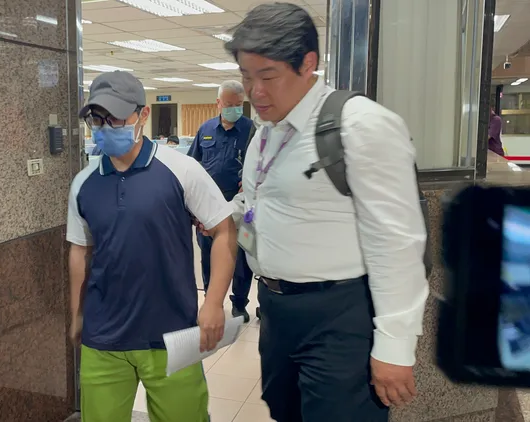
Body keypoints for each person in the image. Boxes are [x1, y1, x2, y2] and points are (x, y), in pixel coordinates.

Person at [220, 3, 430, 421]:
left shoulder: (361, 125)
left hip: (339, 316)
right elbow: (258, 204)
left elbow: (397, 242)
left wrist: (394, 346)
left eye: (268, 76)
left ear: (308, 64)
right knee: (285, 412)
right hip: (276, 311)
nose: (255, 92)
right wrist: (223, 215)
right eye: (246, 77)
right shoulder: (266, 134)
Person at [67, 71, 237, 422]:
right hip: (104, 337)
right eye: (97, 119)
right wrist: (77, 314)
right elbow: (80, 251)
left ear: (143, 115)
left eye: (116, 118)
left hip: (172, 333)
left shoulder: (181, 170)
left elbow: (224, 231)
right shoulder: (83, 183)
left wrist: (214, 303)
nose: (105, 127)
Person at [188, 80, 255, 322]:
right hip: (208, 207)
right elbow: (192, 164)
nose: (234, 109)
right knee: (208, 256)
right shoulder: (206, 129)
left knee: (241, 258)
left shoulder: (251, 130)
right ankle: (211, 300)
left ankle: (239, 303)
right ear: (218, 103)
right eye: (229, 104)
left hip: (240, 206)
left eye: (239, 104)